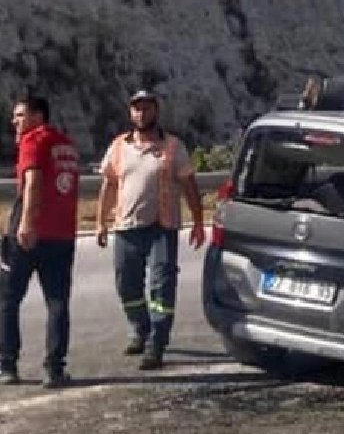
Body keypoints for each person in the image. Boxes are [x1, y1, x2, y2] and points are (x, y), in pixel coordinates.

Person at [96, 91, 206, 370]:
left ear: (156, 112)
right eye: (137, 109)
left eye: (147, 108)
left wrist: (198, 222)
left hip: (162, 228)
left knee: (162, 285)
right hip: (126, 227)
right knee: (126, 284)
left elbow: (189, 185)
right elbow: (109, 185)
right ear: (130, 113)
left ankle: (157, 343)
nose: (141, 114)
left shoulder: (173, 147)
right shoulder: (119, 146)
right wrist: (100, 222)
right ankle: (140, 328)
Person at [0, 96, 81, 388]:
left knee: (7, 298)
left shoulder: (33, 141)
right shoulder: (67, 145)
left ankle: (7, 364)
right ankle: (54, 368)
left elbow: (33, 183)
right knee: (57, 301)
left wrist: (27, 223)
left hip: (29, 233)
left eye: (20, 115)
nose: (15, 121)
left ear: (37, 117)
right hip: (62, 235)